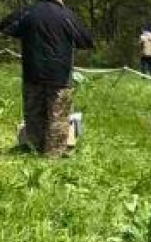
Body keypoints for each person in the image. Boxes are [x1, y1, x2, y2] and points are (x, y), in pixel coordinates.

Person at [1, 0, 94, 158]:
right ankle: (53, 156)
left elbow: (5, 26)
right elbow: (86, 41)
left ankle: (32, 150)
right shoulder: (66, 15)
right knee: (57, 117)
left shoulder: (28, 12)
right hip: (60, 76)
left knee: (33, 115)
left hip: (32, 73)